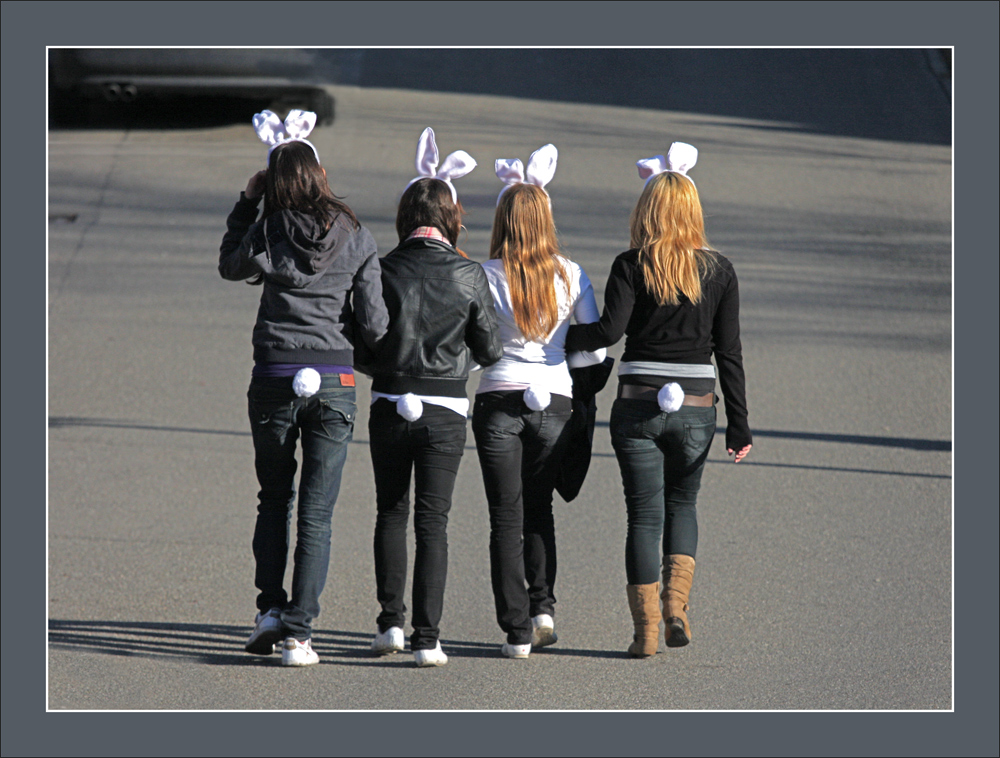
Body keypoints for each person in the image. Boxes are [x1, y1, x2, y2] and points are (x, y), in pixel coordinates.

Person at [565, 143, 752, 658]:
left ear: (645, 210)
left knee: (643, 516)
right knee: (683, 504)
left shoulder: (630, 265)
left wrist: (560, 338)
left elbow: (609, 330)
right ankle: (676, 608)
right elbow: (729, 352)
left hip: (637, 404)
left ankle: (645, 631)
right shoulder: (719, 271)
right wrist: (739, 425)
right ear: (693, 210)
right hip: (696, 408)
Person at [219, 109, 389, 666]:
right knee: (317, 513)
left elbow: (228, 265)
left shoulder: (266, 228)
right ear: (320, 176)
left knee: (274, 497)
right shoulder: (357, 234)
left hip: (273, 374)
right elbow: (375, 322)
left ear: (274, 181)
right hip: (335, 381)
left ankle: (268, 609)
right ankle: (300, 634)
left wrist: (249, 200)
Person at [359, 128, 502, 668]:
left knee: (389, 512)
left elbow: (360, 339)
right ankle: (427, 638)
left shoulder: (382, 267)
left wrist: (389, 367)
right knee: (432, 521)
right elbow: (489, 348)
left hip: (390, 400)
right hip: (444, 408)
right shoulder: (468, 274)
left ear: (404, 216)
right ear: (451, 218)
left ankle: (388, 624)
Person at [474, 145, 606, 658]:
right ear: (547, 218)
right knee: (539, 508)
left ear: (503, 220)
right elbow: (592, 349)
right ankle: (543, 607)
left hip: (498, 396)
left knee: (503, 515)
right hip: (555, 400)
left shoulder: (484, 275)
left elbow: (475, 344)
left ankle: (515, 630)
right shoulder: (573, 275)